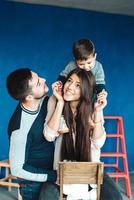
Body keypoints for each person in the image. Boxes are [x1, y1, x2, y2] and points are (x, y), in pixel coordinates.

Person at [44, 68, 122, 200]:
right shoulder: (54, 101)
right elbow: (49, 135)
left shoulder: (93, 107)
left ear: (86, 90)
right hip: (62, 173)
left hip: (91, 172)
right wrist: (60, 103)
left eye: (78, 85)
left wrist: (97, 112)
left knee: (115, 197)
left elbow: (98, 143)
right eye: (69, 81)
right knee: (47, 197)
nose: (69, 87)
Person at [6, 68, 58, 200]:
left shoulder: (44, 101)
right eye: (38, 83)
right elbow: (17, 169)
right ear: (28, 97)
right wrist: (52, 175)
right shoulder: (19, 128)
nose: (44, 79)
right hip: (32, 186)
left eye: (39, 77)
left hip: (50, 177)